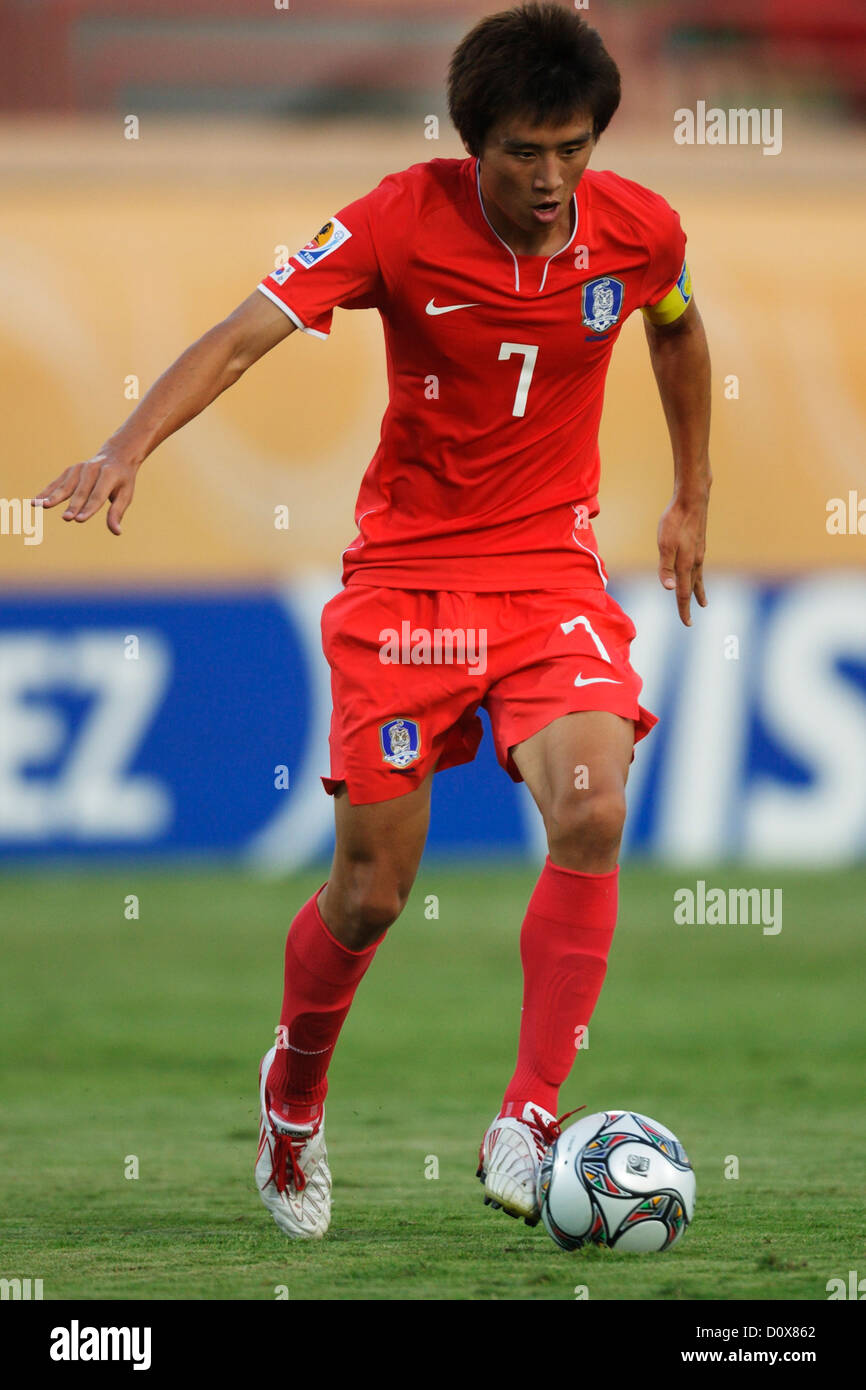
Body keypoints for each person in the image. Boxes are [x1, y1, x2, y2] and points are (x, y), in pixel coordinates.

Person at [35, 2, 711, 1240]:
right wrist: (124, 446)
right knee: (370, 893)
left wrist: (689, 493)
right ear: (475, 147)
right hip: (405, 586)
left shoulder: (639, 232)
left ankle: (527, 1113)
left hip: (547, 574)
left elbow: (674, 328)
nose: (552, 177)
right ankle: (292, 1098)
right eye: (525, 152)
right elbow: (245, 337)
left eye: (572, 147)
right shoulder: (400, 217)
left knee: (596, 801)